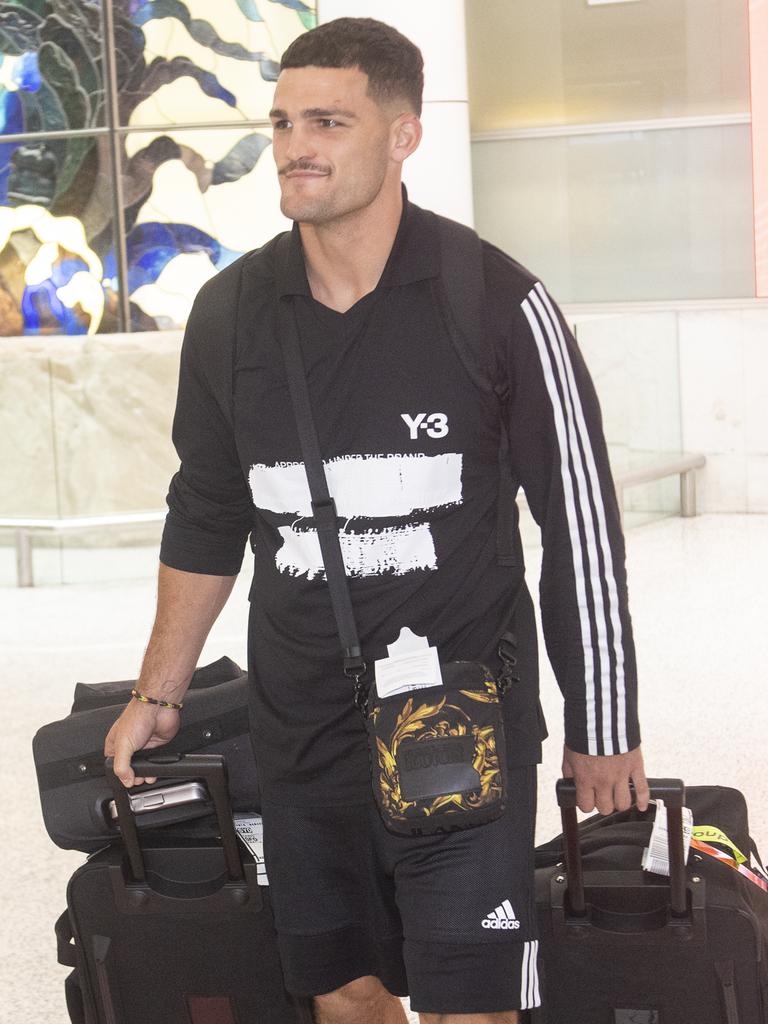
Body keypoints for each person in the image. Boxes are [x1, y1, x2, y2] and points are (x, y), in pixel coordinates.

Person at [105, 17, 649, 1024]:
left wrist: (602, 724)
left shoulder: (495, 299)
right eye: (282, 122)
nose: (295, 145)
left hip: (460, 721)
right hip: (301, 727)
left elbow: (580, 522)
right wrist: (159, 689)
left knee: (468, 1000)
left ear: (403, 134)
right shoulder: (231, 316)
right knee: (343, 989)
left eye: (328, 120)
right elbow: (208, 509)